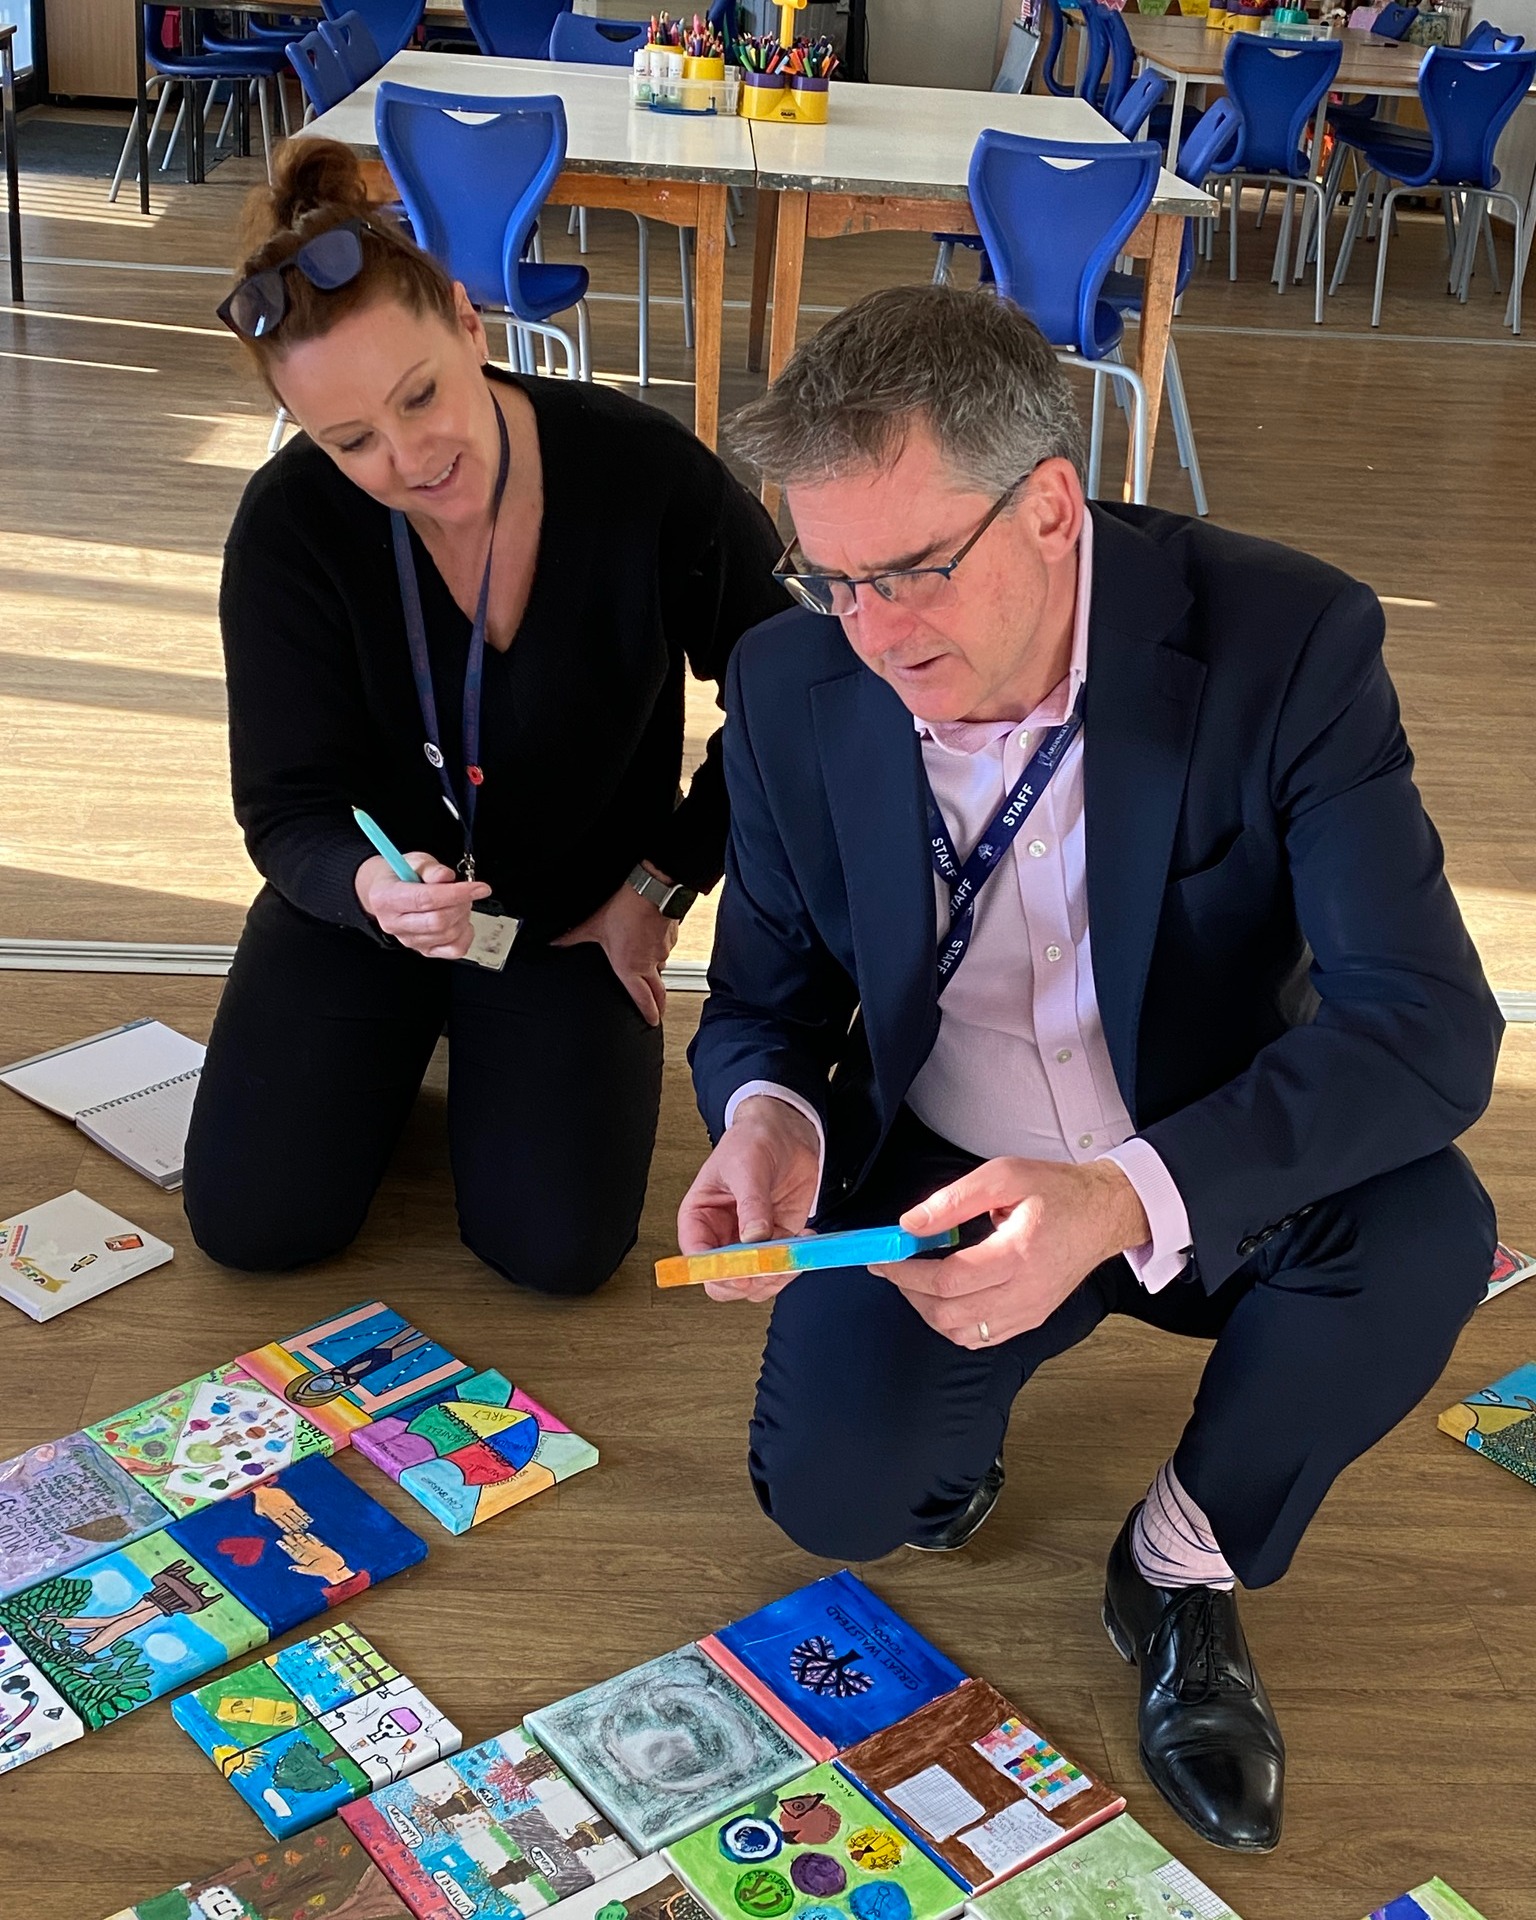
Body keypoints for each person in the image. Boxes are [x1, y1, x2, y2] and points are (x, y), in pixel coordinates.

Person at [680, 285, 1502, 1853]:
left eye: (914, 571)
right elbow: (761, 1001)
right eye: (831, 577)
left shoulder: (1286, 642)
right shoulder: (791, 684)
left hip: (1206, 1149)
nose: (873, 632)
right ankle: (970, 1410)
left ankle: (1180, 1563)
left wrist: (1119, 1199)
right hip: (941, 1177)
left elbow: (1427, 1027)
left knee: (1426, 1235)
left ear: (1053, 508)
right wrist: (769, 1122)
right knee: (838, 1504)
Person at [183, 139, 786, 1292]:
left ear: (468, 323)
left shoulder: (641, 473)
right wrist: (366, 889)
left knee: (557, 1253)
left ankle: (468, 1057)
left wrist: (659, 887)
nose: (410, 458)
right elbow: (284, 805)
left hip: (572, 918)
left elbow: (794, 698)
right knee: (253, 1225)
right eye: (351, 441)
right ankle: (407, 1041)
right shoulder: (290, 527)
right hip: (371, 912)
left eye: (420, 396)